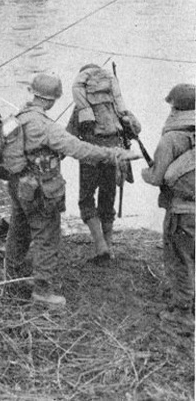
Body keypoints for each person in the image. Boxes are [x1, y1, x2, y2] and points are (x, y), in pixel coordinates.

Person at [5, 73, 137, 307]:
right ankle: (43, 291)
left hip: (17, 184)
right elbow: (79, 149)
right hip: (39, 189)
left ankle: (11, 279)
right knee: (47, 237)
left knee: (19, 230)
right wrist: (115, 154)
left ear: (33, 93)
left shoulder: (17, 117)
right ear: (52, 100)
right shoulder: (46, 126)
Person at [69, 64, 141, 262]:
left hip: (90, 158)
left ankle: (100, 245)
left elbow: (69, 137)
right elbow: (136, 129)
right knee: (107, 198)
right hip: (116, 156)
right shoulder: (119, 108)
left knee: (86, 199)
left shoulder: (81, 109)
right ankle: (109, 244)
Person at [141, 83, 195, 337]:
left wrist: (144, 171)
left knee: (179, 259)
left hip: (182, 211)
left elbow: (155, 177)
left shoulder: (171, 137)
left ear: (174, 107)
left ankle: (183, 313)